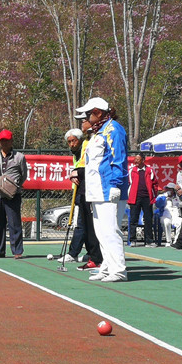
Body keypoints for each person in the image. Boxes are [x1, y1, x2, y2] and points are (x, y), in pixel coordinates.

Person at [76, 97, 129, 282]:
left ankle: (119, 270)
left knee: (110, 231)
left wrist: (115, 184)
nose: (86, 118)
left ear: (97, 113)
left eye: (88, 114)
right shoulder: (99, 132)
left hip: (109, 189)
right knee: (101, 232)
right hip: (97, 190)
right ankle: (107, 267)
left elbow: (118, 159)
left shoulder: (114, 130)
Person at [60, 123, 103, 272]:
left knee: (84, 224)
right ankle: (91, 254)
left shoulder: (87, 146)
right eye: (69, 142)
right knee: (83, 224)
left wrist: (77, 172)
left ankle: (77, 253)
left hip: (90, 190)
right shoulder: (76, 153)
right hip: (80, 190)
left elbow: (88, 168)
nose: (71, 144)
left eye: (74, 141)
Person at [0, 129, 27, 260]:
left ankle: (17, 251)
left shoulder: (19, 157)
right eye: (2, 140)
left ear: (11, 141)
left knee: (14, 223)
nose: (4, 143)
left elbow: (23, 175)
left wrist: (13, 186)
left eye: (7, 140)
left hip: (13, 196)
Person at [127, 153, 159, 247]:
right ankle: (132, 240)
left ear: (143, 160)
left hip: (147, 198)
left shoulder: (150, 170)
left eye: (138, 159)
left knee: (148, 219)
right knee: (134, 219)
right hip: (135, 198)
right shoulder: (132, 170)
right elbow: (129, 183)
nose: (136, 161)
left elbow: (155, 184)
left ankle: (149, 241)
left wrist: (153, 195)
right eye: (135, 159)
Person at [155, 183, 181, 247]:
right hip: (165, 214)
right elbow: (157, 204)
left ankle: (176, 241)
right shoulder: (162, 196)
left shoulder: (178, 197)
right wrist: (165, 197)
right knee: (166, 222)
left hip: (175, 214)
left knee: (180, 222)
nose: (169, 190)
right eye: (167, 189)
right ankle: (168, 241)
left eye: (170, 189)